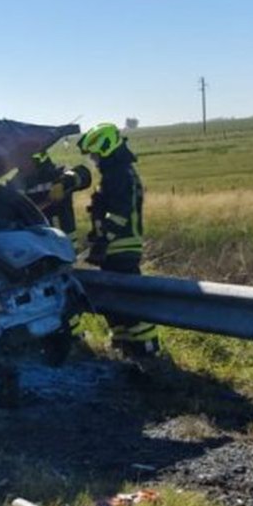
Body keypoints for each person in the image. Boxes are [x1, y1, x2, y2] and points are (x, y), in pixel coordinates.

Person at [80, 123, 159, 357]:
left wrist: (104, 240)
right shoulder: (115, 173)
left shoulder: (119, 175)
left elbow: (119, 214)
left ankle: (147, 351)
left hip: (122, 247)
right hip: (114, 247)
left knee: (130, 303)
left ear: (106, 149)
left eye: (94, 154)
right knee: (117, 304)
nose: (93, 159)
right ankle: (126, 349)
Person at [4, 150, 90, 246]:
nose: (19, 165)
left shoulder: (59, 173)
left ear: (38, 159)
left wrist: (63, 183)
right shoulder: (15, 183)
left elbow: (84, 174)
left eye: (23, 161)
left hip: (65, 244)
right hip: (36, 247)